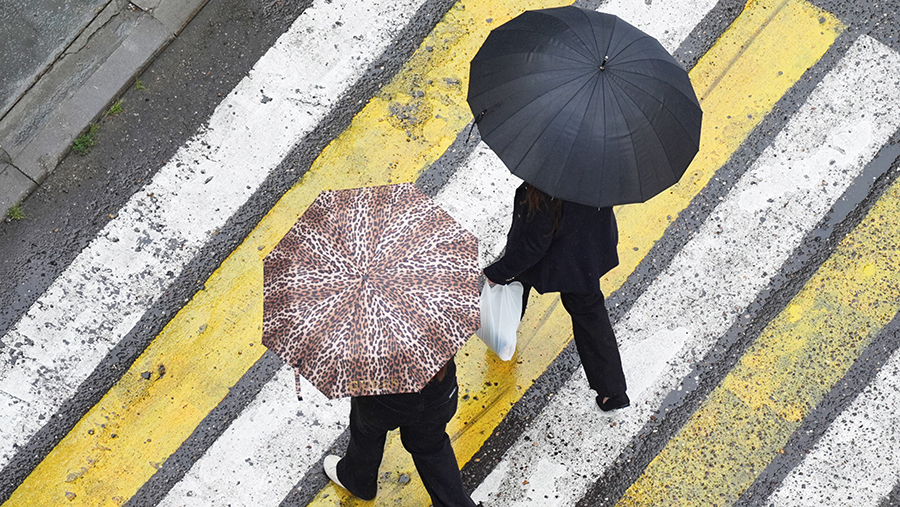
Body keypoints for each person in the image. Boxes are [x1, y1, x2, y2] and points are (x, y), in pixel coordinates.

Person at [483, 182, 629, 412]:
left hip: (557, 257)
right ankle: (613, 391)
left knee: (516, 281)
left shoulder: (546, 188)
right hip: (586, 251)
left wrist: (497, 273)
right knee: (590, 314)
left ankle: (503, 336)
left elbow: (532, 247)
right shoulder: (601, 169)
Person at [323, 356, 477, 507]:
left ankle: (359, 483)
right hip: (439, 390)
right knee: (431, 447)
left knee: (367, 434)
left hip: (385, 392)